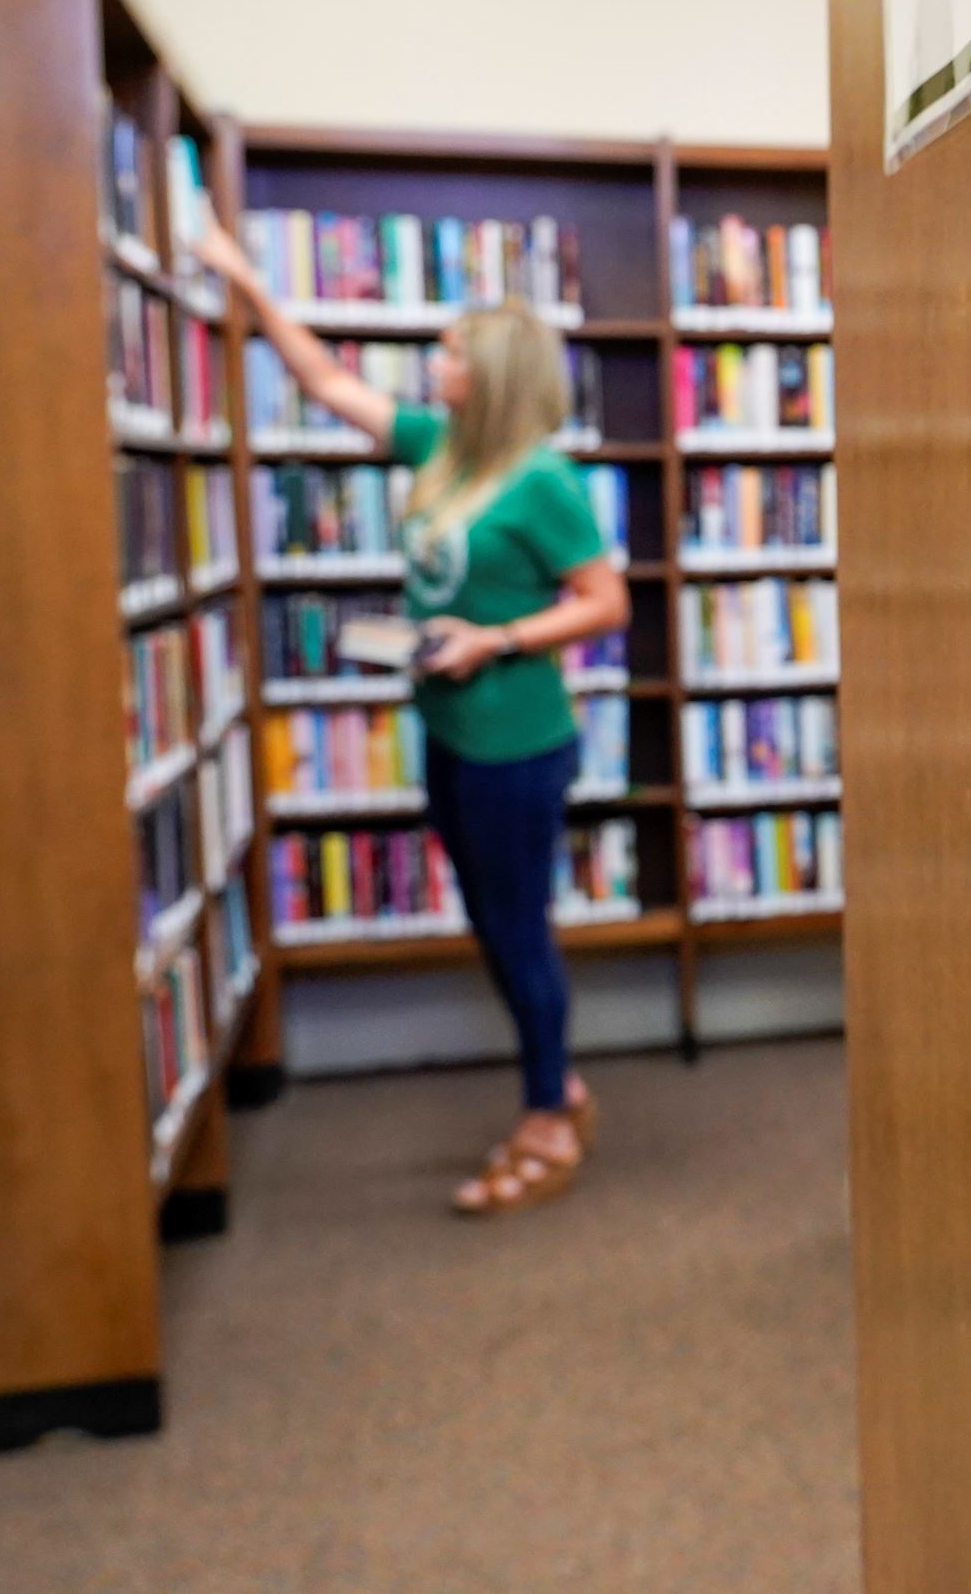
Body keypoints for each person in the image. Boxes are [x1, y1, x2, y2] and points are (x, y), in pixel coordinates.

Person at [198, 223, 631, 1215]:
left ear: (492, 372)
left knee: (518, 929)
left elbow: (607, 602)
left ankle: (548, 1117)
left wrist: (496, 638)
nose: (432, 365)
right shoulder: (443, 448)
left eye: (448, 353)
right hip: (450, 728)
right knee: (491, 920)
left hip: (517, 738)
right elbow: (323, 383)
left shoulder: (543, 480)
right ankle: (556, 1080)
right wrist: (248, 283)